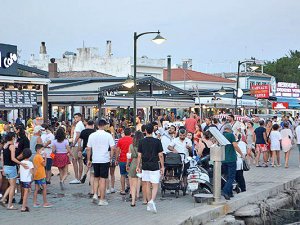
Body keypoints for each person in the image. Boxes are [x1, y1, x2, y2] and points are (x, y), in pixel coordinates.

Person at [86, 119, 116, 206]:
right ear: (105, 125)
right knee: (103, 179)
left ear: (97, 125)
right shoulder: (108, 135)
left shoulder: (92, 135)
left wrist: (89, 159)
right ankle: (102, 199)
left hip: (95, 159)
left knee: (96, 178)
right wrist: (110, 157)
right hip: (104, 159)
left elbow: (88, 148)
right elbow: (113, 147)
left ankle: (95, 194)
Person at [136, 124, 164, 214]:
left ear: (145, 131)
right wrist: (162, 166)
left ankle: (149, 203)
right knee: (155, 184)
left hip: (145, 165)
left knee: (147, 184)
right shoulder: (157, 141)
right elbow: (160, 155)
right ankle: (152, 200)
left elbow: (139, 155)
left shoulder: (141, 141)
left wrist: (138, 166)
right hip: (154, 165)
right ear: (153, 130)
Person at [0, 132, 28, 210]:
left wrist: (3, 168)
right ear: (13, 138)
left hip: (6, 167)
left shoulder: (5, 146)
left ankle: (3, 199)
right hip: (11, 167)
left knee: (11, 185)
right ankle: (9, 204)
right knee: (13, 186)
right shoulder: (11, 146)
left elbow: (2, 158)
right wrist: (21, 163)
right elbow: (13, 158)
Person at [222, 124, 244, 200]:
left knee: (227, 176)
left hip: (223, 159)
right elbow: (235, 145)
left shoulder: (221, 135)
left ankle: (230, 193)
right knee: (231, 177)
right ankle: (225, 191)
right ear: (229, 129)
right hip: (231, 158)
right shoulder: (230, 135)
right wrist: (241, 153)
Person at [127, 131, 144, 207]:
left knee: (133, 183)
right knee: (144, 182)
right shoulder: (144, 145)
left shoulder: (131, 146)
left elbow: (128, 156)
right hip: (142, 163)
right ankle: (144, 198)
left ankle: (133, 201)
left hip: (133, 163)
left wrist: (127, 165)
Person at [33, 144, 52, 208]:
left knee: (36, 189)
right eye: (42, 149)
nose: (43, 151)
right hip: (41, 174)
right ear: (38, 150)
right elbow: (44, 164)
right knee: (44, 188)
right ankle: (45, 202)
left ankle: (35, 202)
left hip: (36, 175)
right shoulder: (39, 157)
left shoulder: (35, 156)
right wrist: (45, 157)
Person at [116, 127, 133, 195]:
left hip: (122, 159)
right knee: (130, 176)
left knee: (122, 175)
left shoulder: (120, 140)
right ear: (131, 133)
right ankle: (132, 190)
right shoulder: (133, 140)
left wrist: (117, 159)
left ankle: (123, 190)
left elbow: (117, 150)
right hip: (131, 160)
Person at [70, 113, 85, 184]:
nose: (75, 119)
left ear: (80, 117)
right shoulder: (81, 124)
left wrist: (74, 143)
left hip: (76, 145)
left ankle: (77, 177)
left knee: (74, 160)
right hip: (80, 144)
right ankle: (79, 177)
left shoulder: (79, 125)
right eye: (75, 117)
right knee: (80, 161)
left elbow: (78, 135)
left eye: (76, 117)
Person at [19, 148, 34, 212]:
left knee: (25, 192)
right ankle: (23, 207)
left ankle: (25, 205)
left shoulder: (21, 162)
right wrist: (32, 179)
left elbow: (19, 172)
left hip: (22, 179)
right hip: (27, 180)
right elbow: (32, 172)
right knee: (26, 193)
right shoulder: (30, 163)